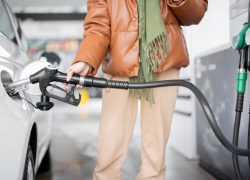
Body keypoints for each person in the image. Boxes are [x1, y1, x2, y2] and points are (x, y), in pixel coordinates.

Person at [66, 0, 208, 179]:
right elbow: (98, 26)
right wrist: (86, 59)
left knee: (155, 155)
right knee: (110, 147)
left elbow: (194, 14)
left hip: (163, 60)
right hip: (120, 65)